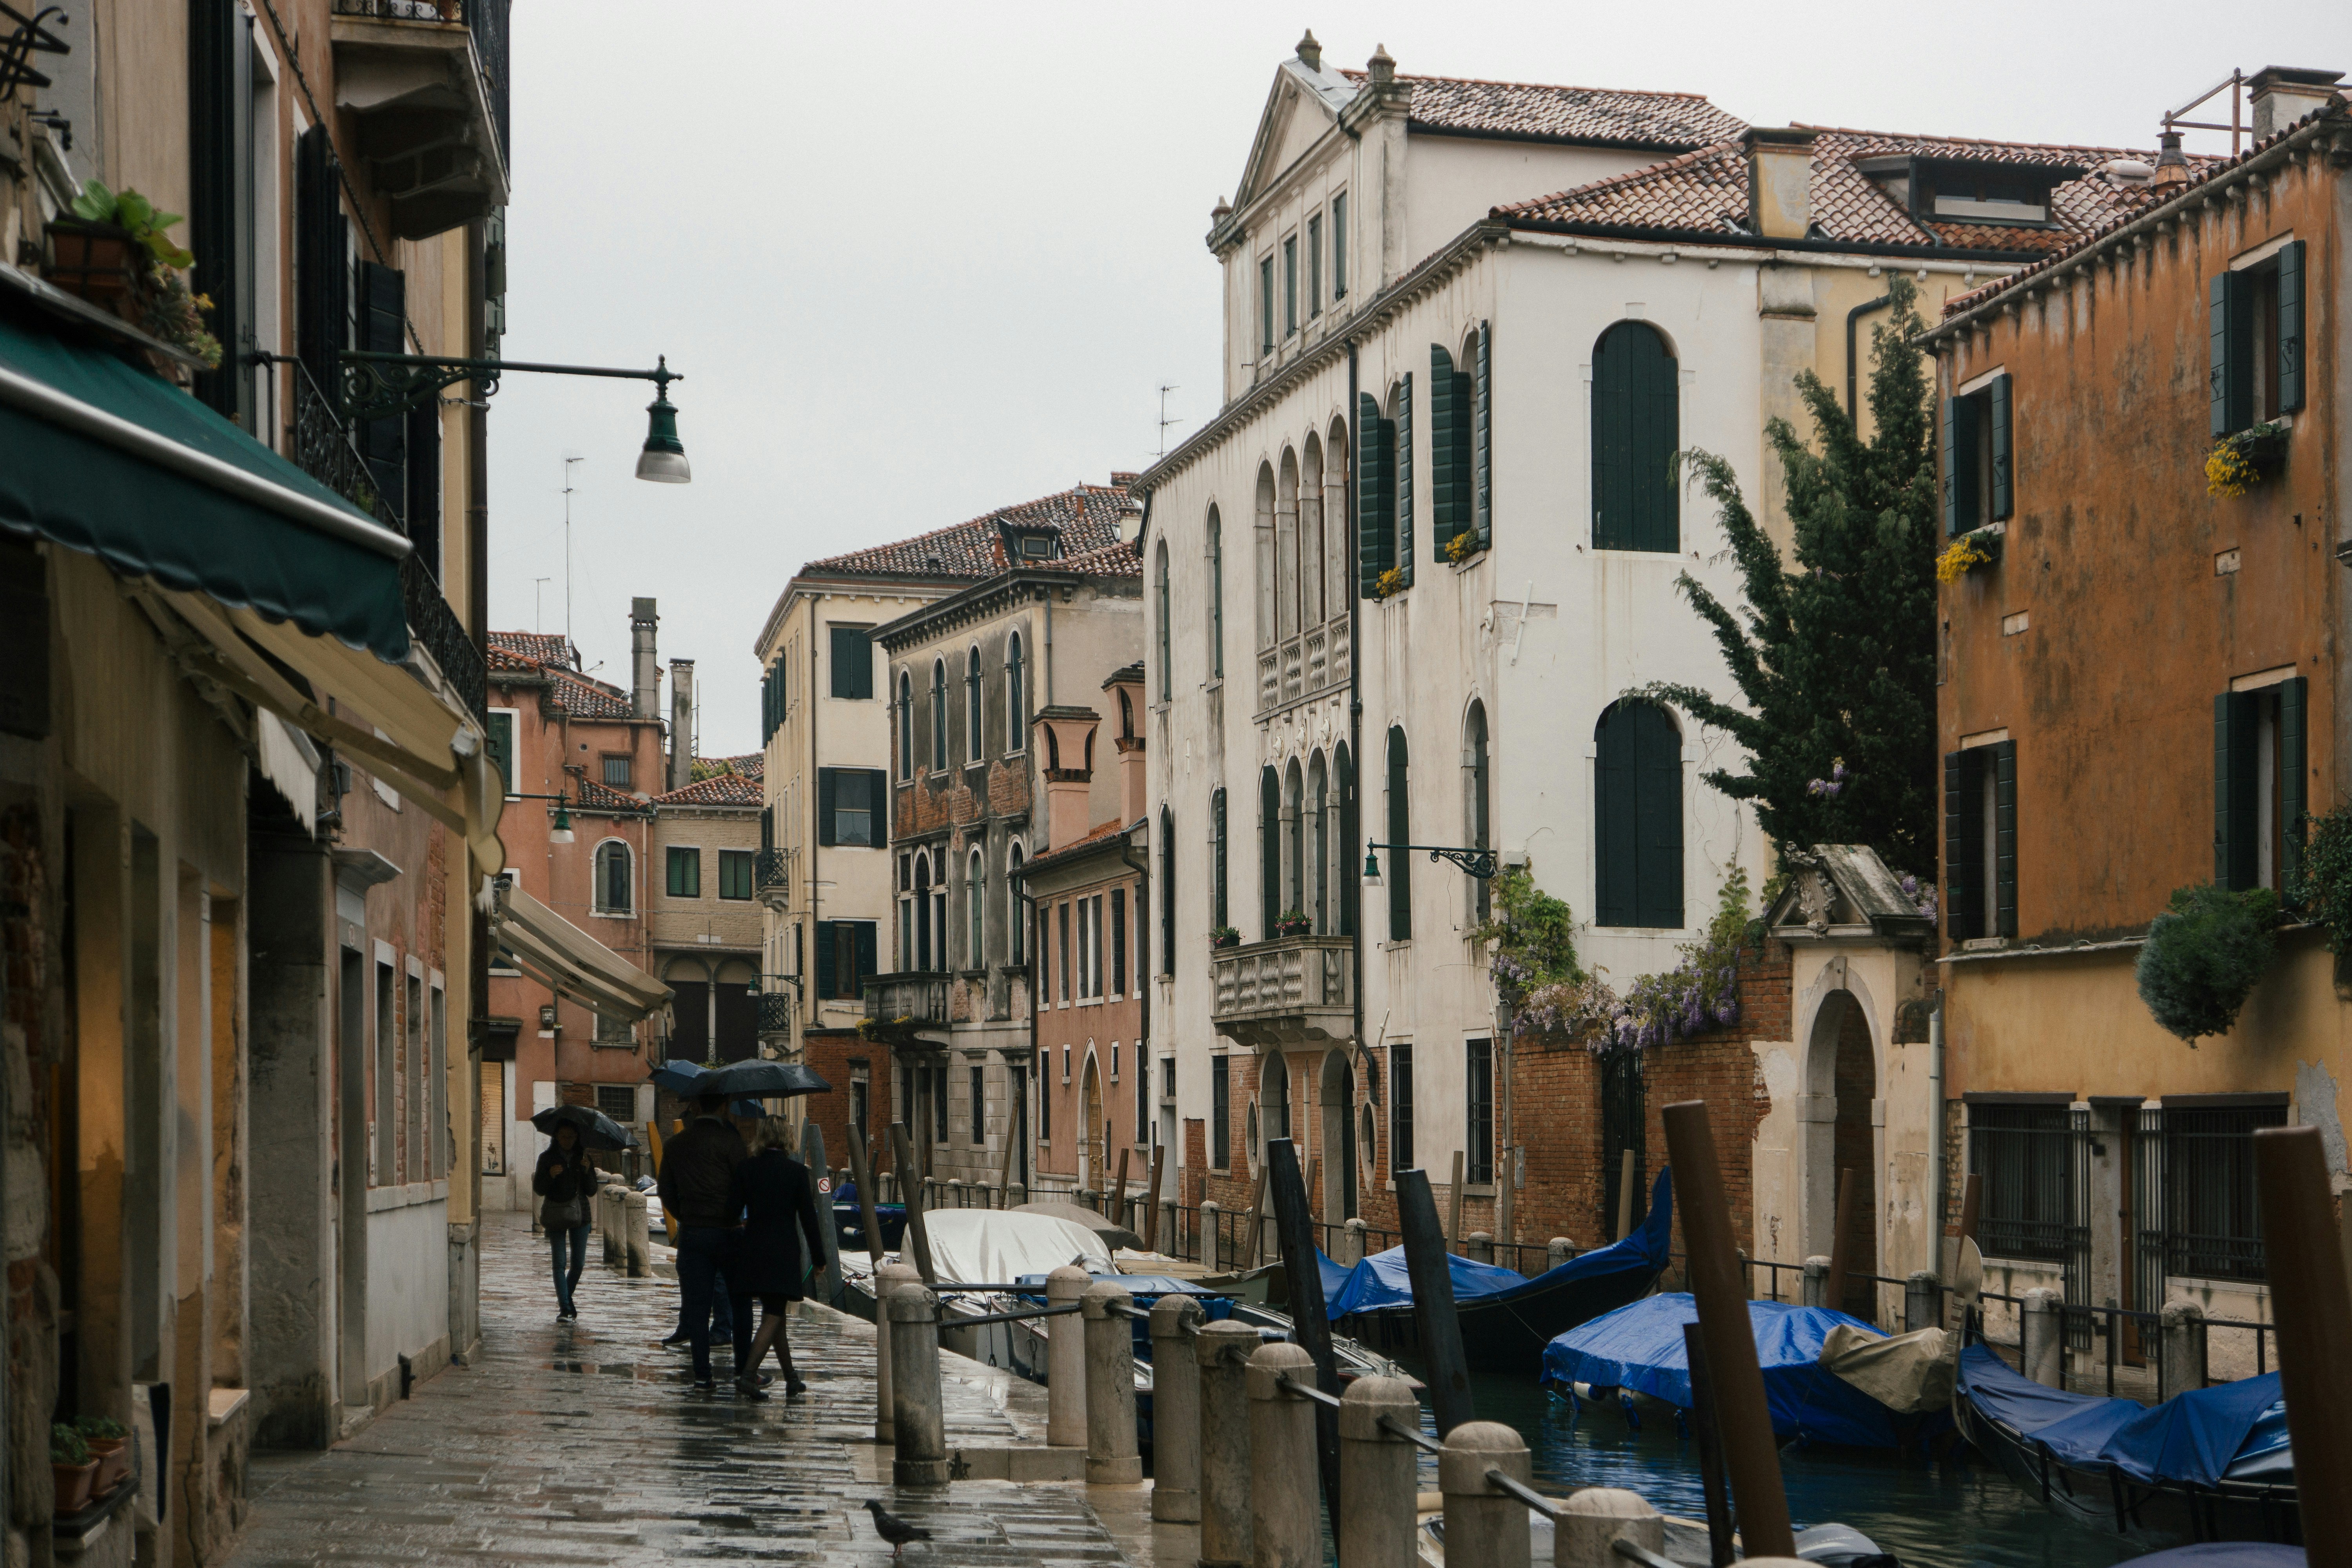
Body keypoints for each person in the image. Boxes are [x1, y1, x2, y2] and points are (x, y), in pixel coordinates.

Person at [726, 1116, 830, 1399]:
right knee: (773, 1315)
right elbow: (809, 1220)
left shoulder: (746, 1169)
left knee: (777, 1316)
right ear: (787, 1138)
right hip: (782, 1252)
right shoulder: (796, 1172)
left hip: (752, 1250)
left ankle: (792, 1380)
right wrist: (820, 1259)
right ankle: (748, 1377)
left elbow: (732, 1209)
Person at [657, 1091, 751, 1390]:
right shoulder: (731, 1142)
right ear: (724, 1106)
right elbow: (745, 1185)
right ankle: (741, 1372)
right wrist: (735, 1216)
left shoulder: (675, 1144)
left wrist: (686, 1214)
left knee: (697, 1305)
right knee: (741, 1301)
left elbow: (665, 1192)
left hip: (693, 1232)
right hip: (729, 1232)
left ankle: (702, 1375)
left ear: (696, 1106)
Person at [532, 1122, 596, 1320]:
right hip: (556, 1213)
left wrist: (586, 1171)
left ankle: (566, 1300)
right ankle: (565, 1307)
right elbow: (539, 1189)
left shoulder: (584, 1159)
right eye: (563, 1136)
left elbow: (592, 1190)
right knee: (559, 1263)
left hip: (581, 1214)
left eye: (571, 1136)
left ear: (577, 1138)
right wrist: (550, 1176)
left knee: (578, 1264)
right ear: (556, 1137)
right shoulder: (547, 1159)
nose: (567, 1140)